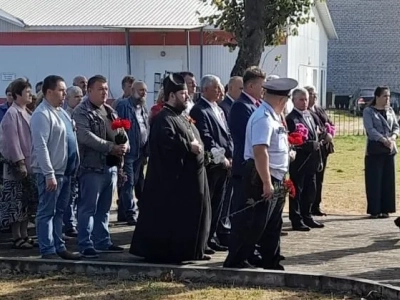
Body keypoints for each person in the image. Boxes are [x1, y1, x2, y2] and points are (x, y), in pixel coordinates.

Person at [130, 73, 211, 263]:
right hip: (172, 181)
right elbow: (165, 143)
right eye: (183, 93)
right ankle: (173, 252)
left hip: (191, 176)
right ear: (172, 96)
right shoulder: (163, 118)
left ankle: (193, 250)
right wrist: (188, 146)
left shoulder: (181, 116)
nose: (188, 97)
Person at [224, 77, 297, 269]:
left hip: (277, 176)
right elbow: (260, 151)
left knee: (273, 223)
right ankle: (237, 260)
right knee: (253, 222)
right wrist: (266, 182)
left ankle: (271, 259)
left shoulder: (273, 116)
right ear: (282, 100)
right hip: (262, 177)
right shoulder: (263, 118)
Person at [73, 75, 125, 258]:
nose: (104, 92)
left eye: (106, 88)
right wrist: (111, 147)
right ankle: (85, 243)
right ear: (89, 91)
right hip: (91, 167)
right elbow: (85, 136)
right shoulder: (81, 111)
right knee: (88, 208)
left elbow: (121, 131)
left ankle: (102, 241)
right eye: (100, 89)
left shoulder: (109, 110)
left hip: (110, 167)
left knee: (104, 209)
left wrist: (125, 145)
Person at [31, 75, 80, 260]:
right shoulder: (41, 114)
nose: (64, 94)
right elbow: (40, 146)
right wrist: (48, 173)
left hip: (66, 171)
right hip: (52, 173)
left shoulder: (62, 112)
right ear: (49, 92)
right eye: (61, 90)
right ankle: (47, 249)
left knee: (60, 211)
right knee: (47, 211)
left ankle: (59, 246)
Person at [0, 78, 37, 249]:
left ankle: (24, 234)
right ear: (17, 95)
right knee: (16, 203)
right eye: (27, 92)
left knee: (26, 203)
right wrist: (20, 163)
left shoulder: (27, 112)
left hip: (29, 165)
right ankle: (17, 236)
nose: (30, 95)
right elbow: (12, 141)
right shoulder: (11, 114)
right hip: (17, 167)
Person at [286, 88, 324, 231]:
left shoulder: (311, 115)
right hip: (299, 161)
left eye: (306, 99)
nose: (304, 102)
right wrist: (308, 144)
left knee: (310, 190)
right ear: (293, 100)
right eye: (301, 99)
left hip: (312, 161)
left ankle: (307, 215)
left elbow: (318, 132)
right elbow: (291, 140)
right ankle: (296, 219)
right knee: (297, 190)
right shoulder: (291, 118)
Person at [363, 86, 399, 219]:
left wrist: (393, 137)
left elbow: (396, 126)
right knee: (374, 180)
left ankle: (386, 208)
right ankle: (375, 209)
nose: (387, 99)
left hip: (389, 149)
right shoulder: (369, 111)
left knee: (387, 180)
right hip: (375, 150)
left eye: (389, 96)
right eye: (385, 96)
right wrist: (383, 140)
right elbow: (370, 129)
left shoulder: (390, 111)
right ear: (377, 97)